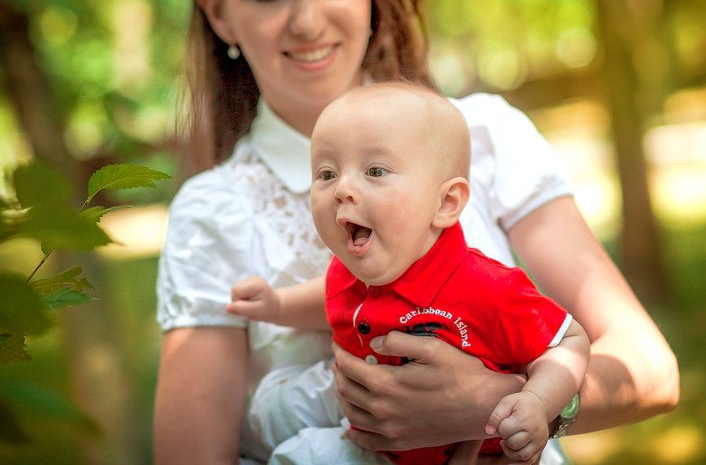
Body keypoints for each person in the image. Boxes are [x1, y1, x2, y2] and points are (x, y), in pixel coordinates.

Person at [152, 0, 680, 464]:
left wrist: (496, 406)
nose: (308, 20)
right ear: (218, 12)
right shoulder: (210, 214)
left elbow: (651, 369)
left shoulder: (483, 136)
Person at [225, 82, 591, 465]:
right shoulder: (352, 268)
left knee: (298, 457)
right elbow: (332, 296)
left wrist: (538, 402)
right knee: (270, 411)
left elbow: (569, 341)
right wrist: (277, 305)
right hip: (367, 425)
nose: (342, 189)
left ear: (445, 202)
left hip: (454, 454)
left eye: (375, 170)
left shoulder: (489, 287)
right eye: (327, 173)